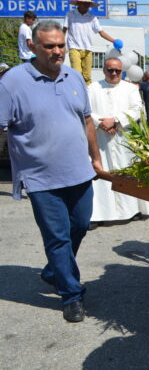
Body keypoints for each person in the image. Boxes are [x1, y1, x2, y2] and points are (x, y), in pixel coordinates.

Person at [0, 20, 102, 322]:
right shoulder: (12, 82)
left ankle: (52, 270)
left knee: (80, 225)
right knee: (57, 237)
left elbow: (86, 121)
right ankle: (71, 294)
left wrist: (95, 158)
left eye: (61, 45)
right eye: (50, 46)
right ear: (32, 46)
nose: (58, 51)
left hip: (79, 173)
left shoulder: (74, 77)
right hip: (40, 178)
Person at [88, 57, 149, 223]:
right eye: (110, 70)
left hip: (123, 138)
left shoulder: (130, 89)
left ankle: (132, 209)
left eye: (117, 71)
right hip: (101, 139)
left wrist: (116, 120)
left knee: (127, 171)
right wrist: (101, 122)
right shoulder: (92, 88)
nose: (114, 73)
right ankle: (100, 214)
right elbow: (85, 111)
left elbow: (137, 109)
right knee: (102, 173)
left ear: (122, 71)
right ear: (104, 70)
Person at [63, 0, 116, 84]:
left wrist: (114, 40)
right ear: (79, 3)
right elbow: (64, 30)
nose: (86, 5)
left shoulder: (92, 17)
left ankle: (88, 95)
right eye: (84, 3)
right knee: (77, 74)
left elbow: (101, 32)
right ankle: (76, 95)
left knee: (87, 76)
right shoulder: (70, 15)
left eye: (88, 3)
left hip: (88, 48)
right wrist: (59, 44)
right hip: (74, 47)